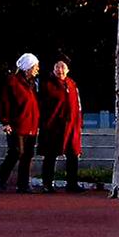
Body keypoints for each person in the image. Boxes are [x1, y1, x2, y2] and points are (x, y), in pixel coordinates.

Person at [37, 60, 85, 193]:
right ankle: (47, 184)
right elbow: (41, 106)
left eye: (63, 67)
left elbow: (78, 105)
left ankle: (72, 184)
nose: (60, 70)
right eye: (57, 67)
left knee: (73, 155)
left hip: (71, 126)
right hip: (53, 126)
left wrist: (79, 122)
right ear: (53, 69)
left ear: (68, 69)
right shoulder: (47, 85)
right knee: (50, 155)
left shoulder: (72, 84)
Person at [0, 52, 40, 194]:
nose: (37, 69)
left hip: (31, 124)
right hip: (17, 124)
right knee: (16, 152)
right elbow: (5, 103)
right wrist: (5, 122)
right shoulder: (13, 82)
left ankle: (23, 184)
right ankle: (1, 176)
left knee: (27, 155)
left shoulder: (33, 84)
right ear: (28, 68)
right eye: (35, 66)